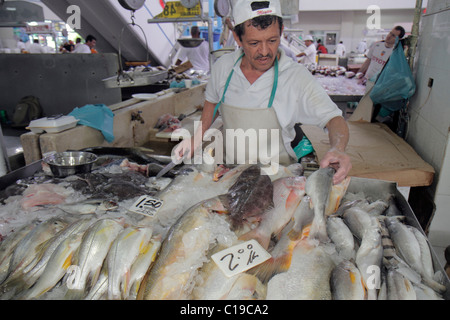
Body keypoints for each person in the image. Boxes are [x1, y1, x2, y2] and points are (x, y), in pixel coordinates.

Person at [173, 0, 352, 185]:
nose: (265, 51)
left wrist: (338, 148)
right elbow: (211, 105)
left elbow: (334, 119)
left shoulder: (296, 77)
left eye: (272, 41)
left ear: (281, 32)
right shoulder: (223, 68)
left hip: (277, 178)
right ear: (237, 38)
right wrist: (195, 139)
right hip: (230, 174)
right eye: (254, 43)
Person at [358, 26, 406, 92]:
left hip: (379, 86)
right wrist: (358, 74)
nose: (389, 36)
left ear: (398, 39)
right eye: (390, 33)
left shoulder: (396, 54)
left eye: (393, 36)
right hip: (366, 80)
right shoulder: (376, 45)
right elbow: (368, 61)